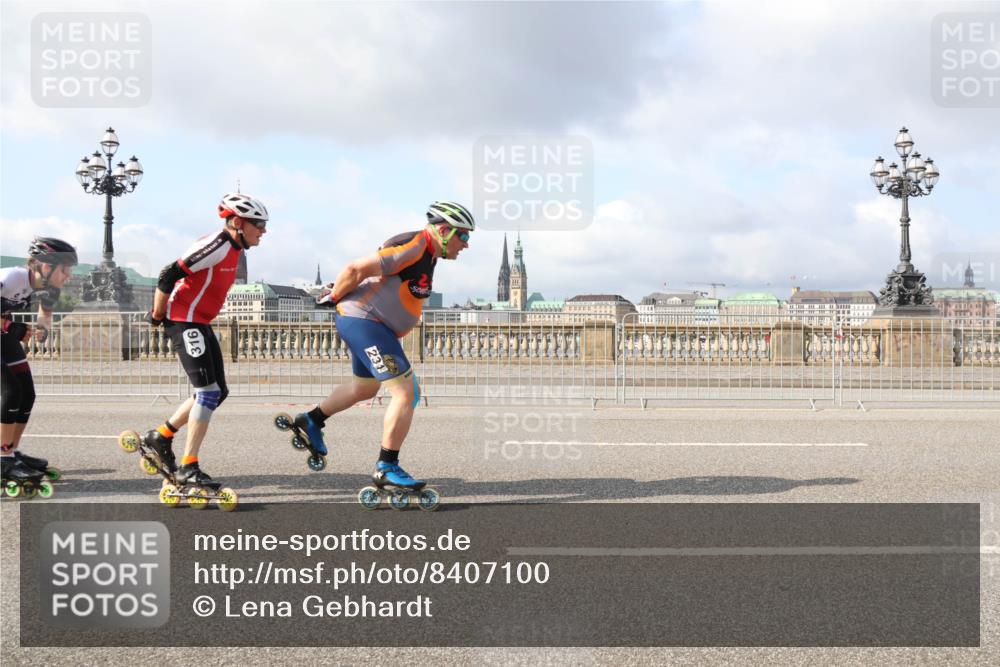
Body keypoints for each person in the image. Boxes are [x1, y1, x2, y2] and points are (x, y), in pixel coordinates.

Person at [294, 201, 473, 493]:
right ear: (443, 230)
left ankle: (311, 420)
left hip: (372, 325)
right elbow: (357, 268)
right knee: (407, 392)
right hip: (366, 322)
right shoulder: (415, 246)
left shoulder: (428, 253)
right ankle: (386, 466)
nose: (466, 245)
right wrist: (333, 294)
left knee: (364, 388)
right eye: (463, 236)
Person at [141, 193, 268, 490]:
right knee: (207, 392)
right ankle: (188, 466)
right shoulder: (218, 245)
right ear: (237, 222)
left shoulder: (236, 247)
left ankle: (161, 436)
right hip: (184, 319)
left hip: (199, 321)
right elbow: (168, 274)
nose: (263, 231)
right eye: (258, 224)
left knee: (218, 391)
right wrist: (158, 314)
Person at [1, 237, 77, 493]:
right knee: (10, 391)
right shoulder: (12, 278)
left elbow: (45, 314)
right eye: (65, 269)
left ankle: (9, 452)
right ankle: (2, 459)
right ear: (45, 266)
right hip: (4, 329)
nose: (68, 276)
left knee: (27, 393)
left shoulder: (49, 289)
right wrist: (12, 327)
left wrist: (42, 330)